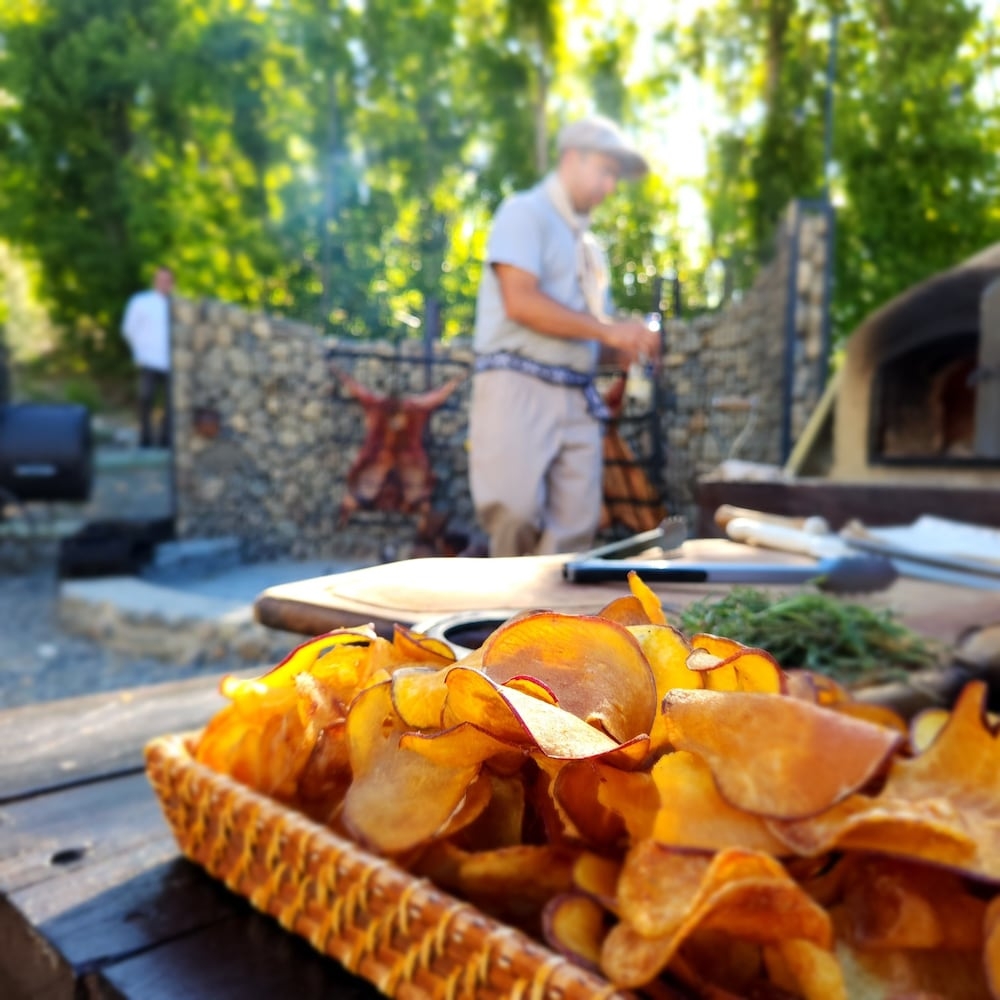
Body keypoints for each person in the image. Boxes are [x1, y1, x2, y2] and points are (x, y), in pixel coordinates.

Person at [468, 115, 661, 557]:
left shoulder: (592, 250)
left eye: (615, 176)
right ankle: (507, 623)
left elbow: (590, 339)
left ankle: (551, 627)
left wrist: (628, 346)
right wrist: (609, 329)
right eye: (606, 171)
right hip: (517, 388)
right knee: (513, 516)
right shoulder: (523, 213)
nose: (610, 186)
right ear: (572, 159)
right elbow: (521, 302)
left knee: (575, 532)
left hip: (577, 397)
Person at [121, 266, 174, 448]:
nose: (164, 283)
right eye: (161, 279)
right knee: (145, 399)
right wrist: (138, 353)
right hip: (148, 360)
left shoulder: (176, 304)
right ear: (155, 280)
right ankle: (145, 439)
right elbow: (128, 329)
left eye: (168, 280)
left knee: (171, 403)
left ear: (172, 283)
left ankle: (165, 440)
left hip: (171, 362)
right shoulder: (141, 302)